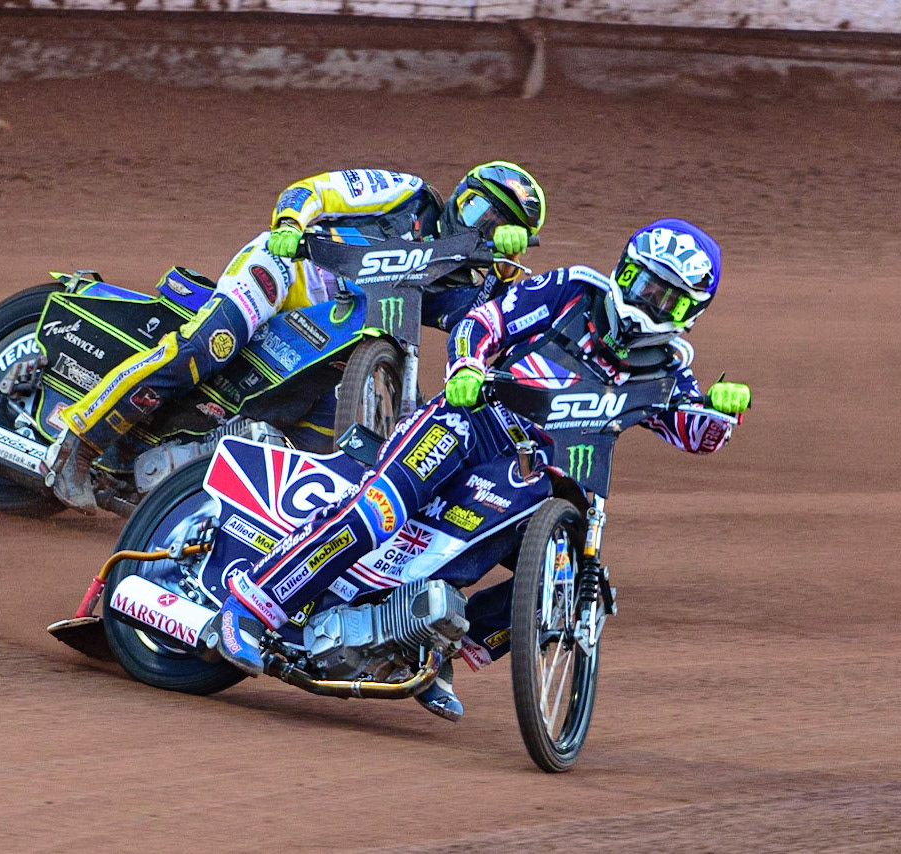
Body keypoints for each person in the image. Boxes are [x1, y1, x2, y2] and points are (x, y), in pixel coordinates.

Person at [207, 218, 752, 721]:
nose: (647, 301)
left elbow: (692, 431)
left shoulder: (670, 368)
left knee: (554, 580)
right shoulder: (575, 290)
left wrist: (723, 410)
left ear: (690, 314)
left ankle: (427, 643)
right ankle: (253, 605)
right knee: (380, 509)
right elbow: (485, 320)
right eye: (642, 282)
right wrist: (467, 365)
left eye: (667, 298)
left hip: (534, 468)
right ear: (623, 269)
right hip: (472, 419)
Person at [48, 164, 547, 509]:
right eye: (482, 207)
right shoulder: (407, 194)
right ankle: (78, 442)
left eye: (501, 225)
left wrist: (501, 271)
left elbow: (484, 325)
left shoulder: (465, 280)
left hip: (336, 340)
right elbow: (319, 189)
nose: (483, 223)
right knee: (209, 346)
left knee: (314, 442)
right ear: (462, 191)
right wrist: (291, 221)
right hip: (286, 270)